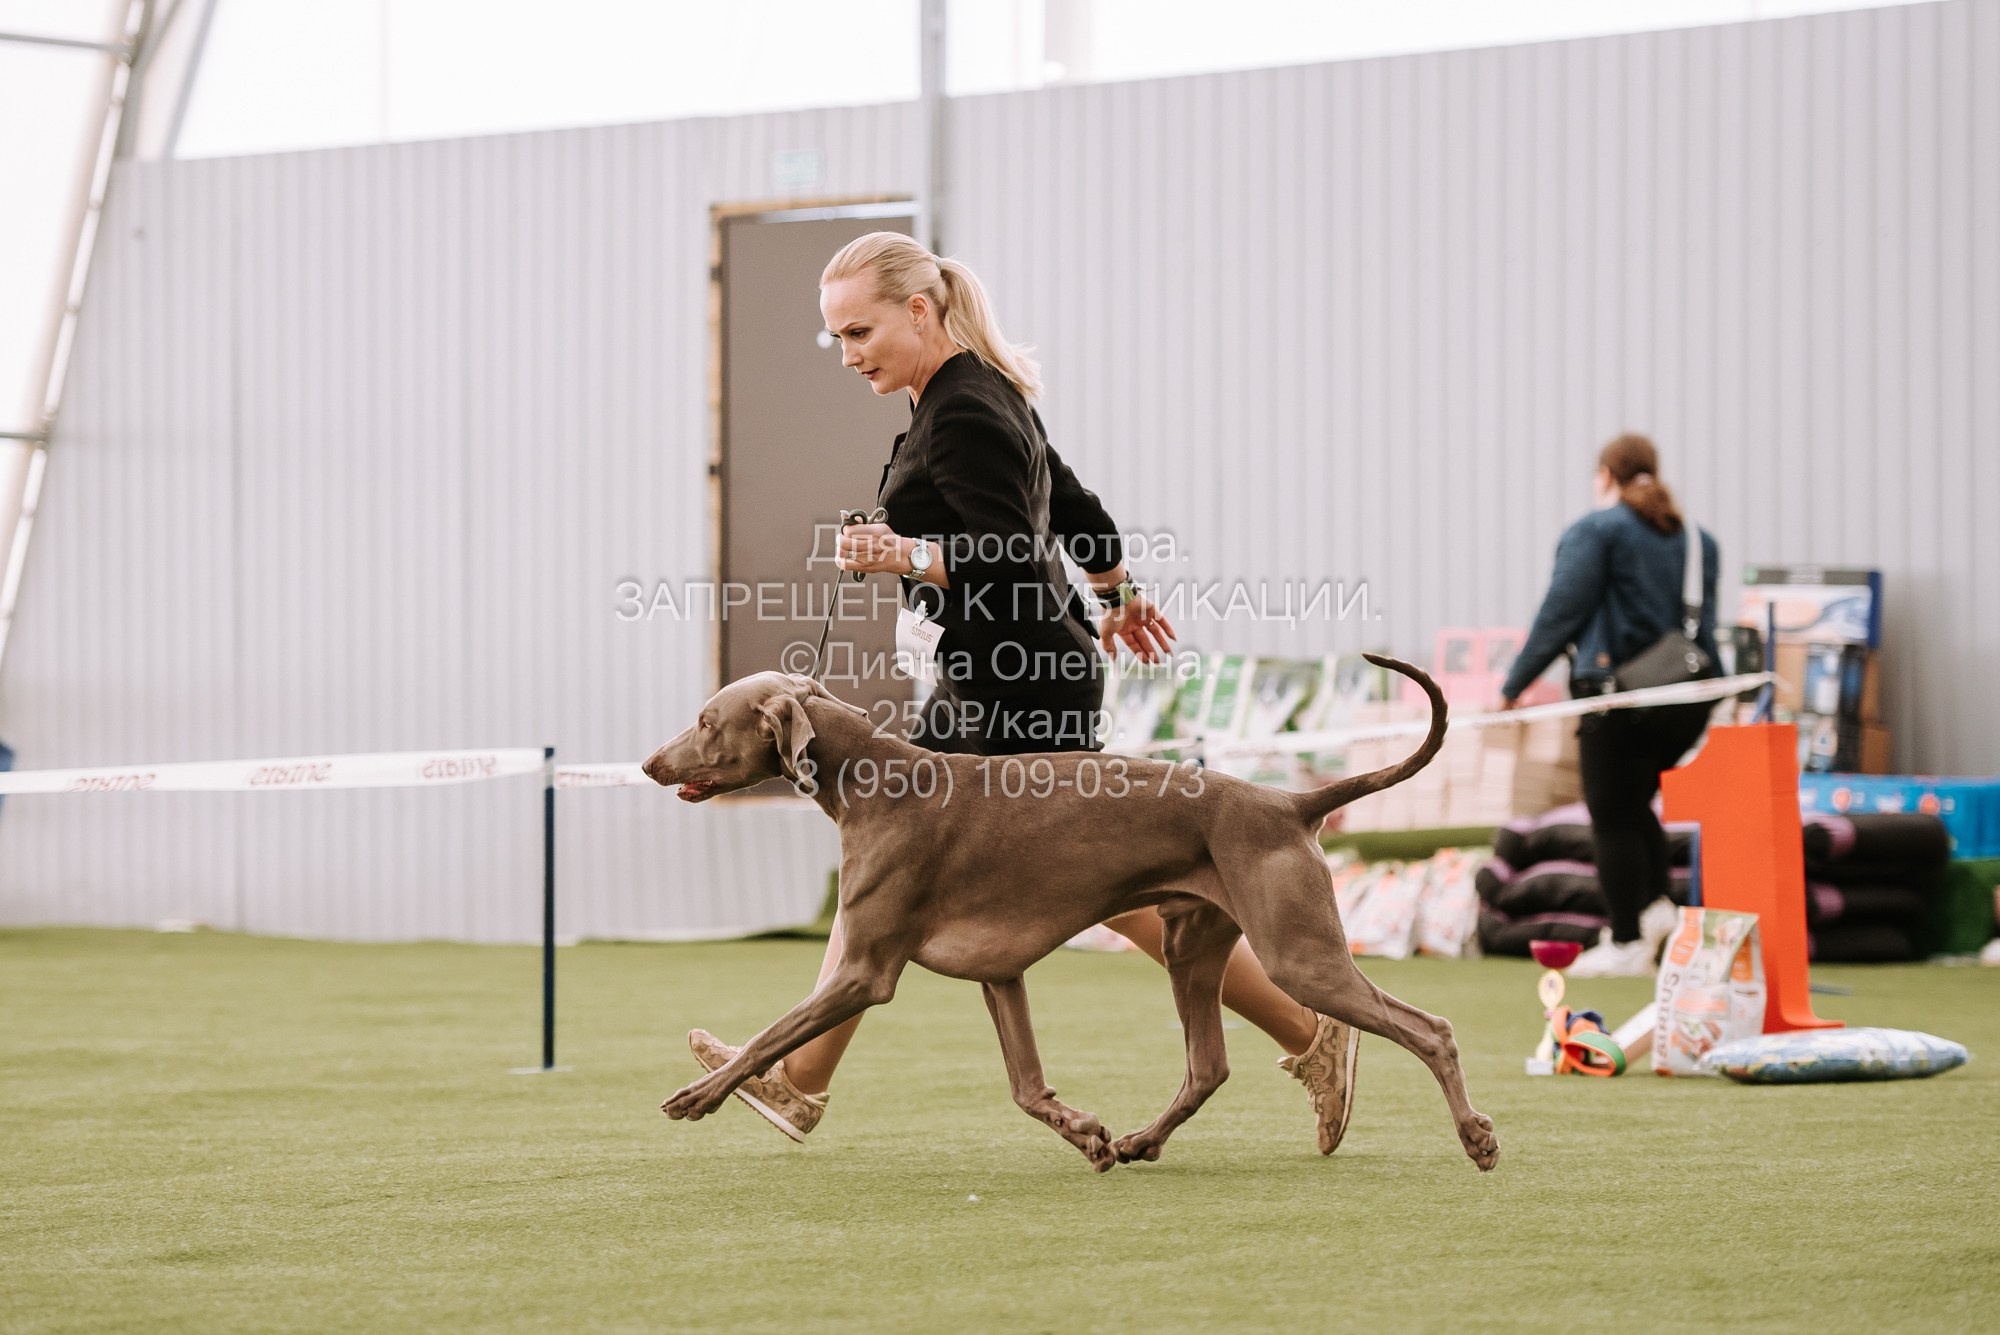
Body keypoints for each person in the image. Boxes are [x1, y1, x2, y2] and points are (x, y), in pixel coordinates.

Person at [687, 231, 1359, 1151]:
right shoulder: (958, 398)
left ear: (919, 310)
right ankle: (802, 1077)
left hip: (1021, 684)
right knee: (894, 862)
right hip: (983, 680)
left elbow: (1012, 569)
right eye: (836, 337)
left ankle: (1309, 1029)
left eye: (859, 331)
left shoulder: (966, 408)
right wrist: (1117, 594)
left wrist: (910, 554)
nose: (848, 355)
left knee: (1099, 884)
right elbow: (1073, 505)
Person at [1497, 433, 1720, 978]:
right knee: (1633, 803)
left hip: (1618, 696)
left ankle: (1625, 939)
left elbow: (1561, 613)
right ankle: (1656, 911)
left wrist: (1514, 684)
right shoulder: (1695, 538)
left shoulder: (1597, 530)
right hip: (1687, 697)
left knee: (1611, 814)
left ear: (1605, 477)